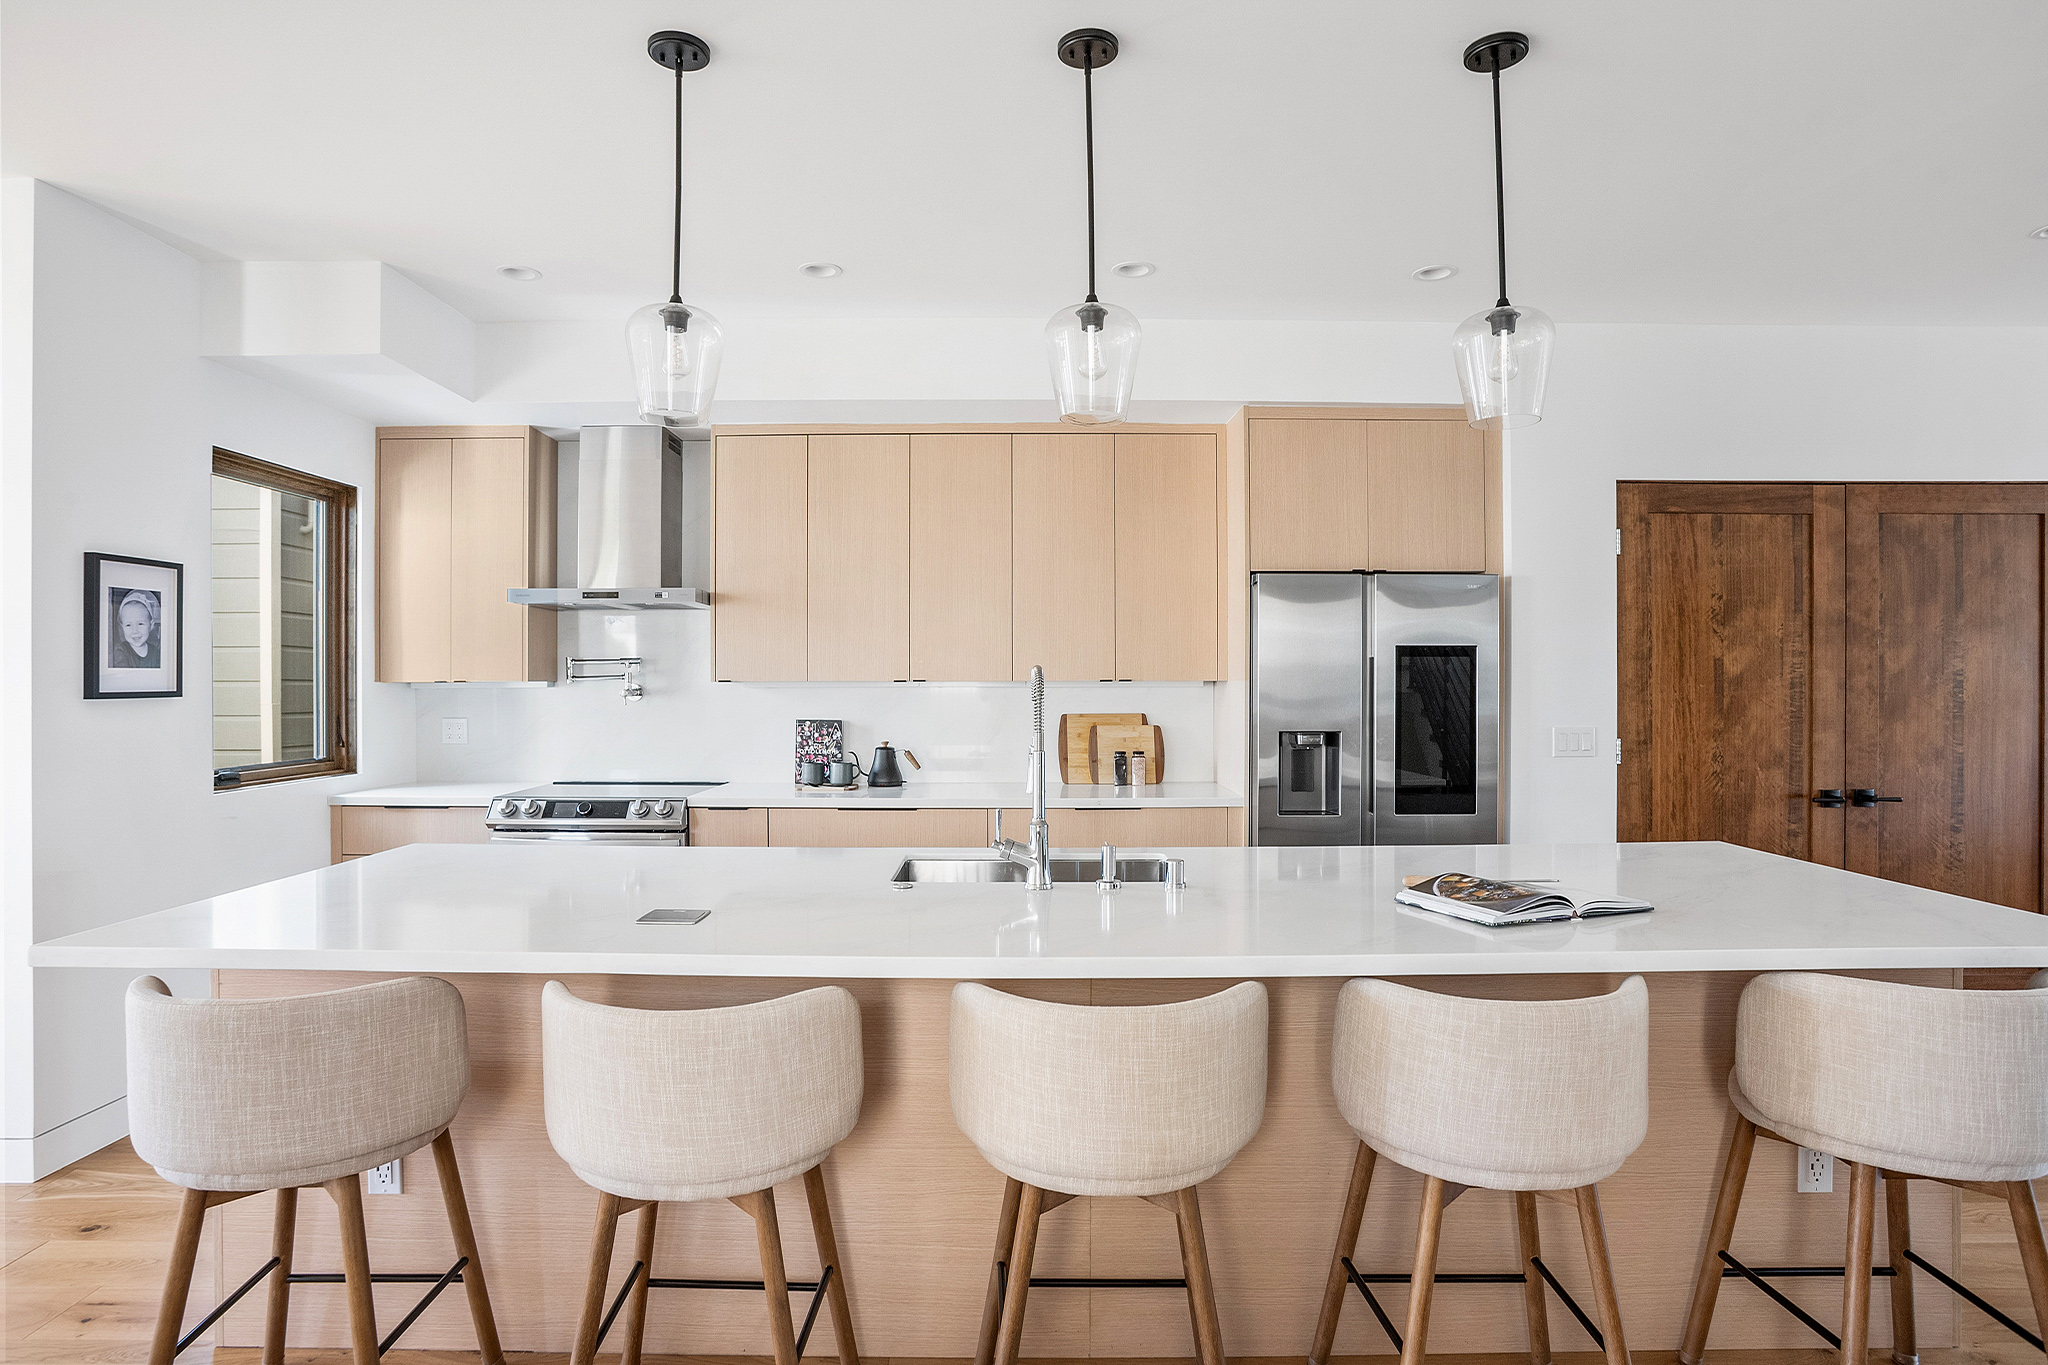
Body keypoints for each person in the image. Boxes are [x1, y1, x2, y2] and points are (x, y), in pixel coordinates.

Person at [110, 588, 160, 669]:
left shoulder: (155, 652)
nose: (135, 631)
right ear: (122, 627)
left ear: (151, 625)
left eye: (140, 624)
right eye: (128, 625)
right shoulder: (121, 650)